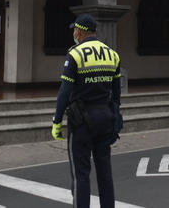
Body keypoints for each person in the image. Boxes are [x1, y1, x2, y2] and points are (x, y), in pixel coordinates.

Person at [51, 14, 122, 208]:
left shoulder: (75, 54)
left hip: (81, 122)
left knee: (81, 174)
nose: (73, 33)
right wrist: (115, 119)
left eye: (75, 29)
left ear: (80, 32)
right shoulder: (112, 54)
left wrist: (57, 121)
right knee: (105, 173)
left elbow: (64, 91)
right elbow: (116, 95)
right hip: (105, 119)